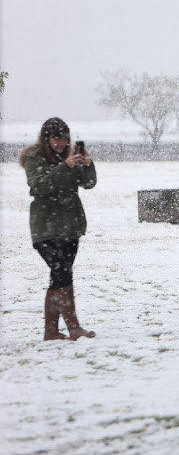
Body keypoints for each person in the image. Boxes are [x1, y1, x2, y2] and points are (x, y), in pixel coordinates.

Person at [20, 118, 97, 341]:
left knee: (58, 275)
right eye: (56, 138)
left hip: (70, 225)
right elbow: (40, 186)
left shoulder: (70, 155)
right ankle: (73, 328)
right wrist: (66, 167)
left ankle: (51, 331)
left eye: (64, 138)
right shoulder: (34, 158)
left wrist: (87, 164)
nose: (61, 143)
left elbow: (89, 183)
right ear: (46, 138)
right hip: (45, 227)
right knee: (62, 271)